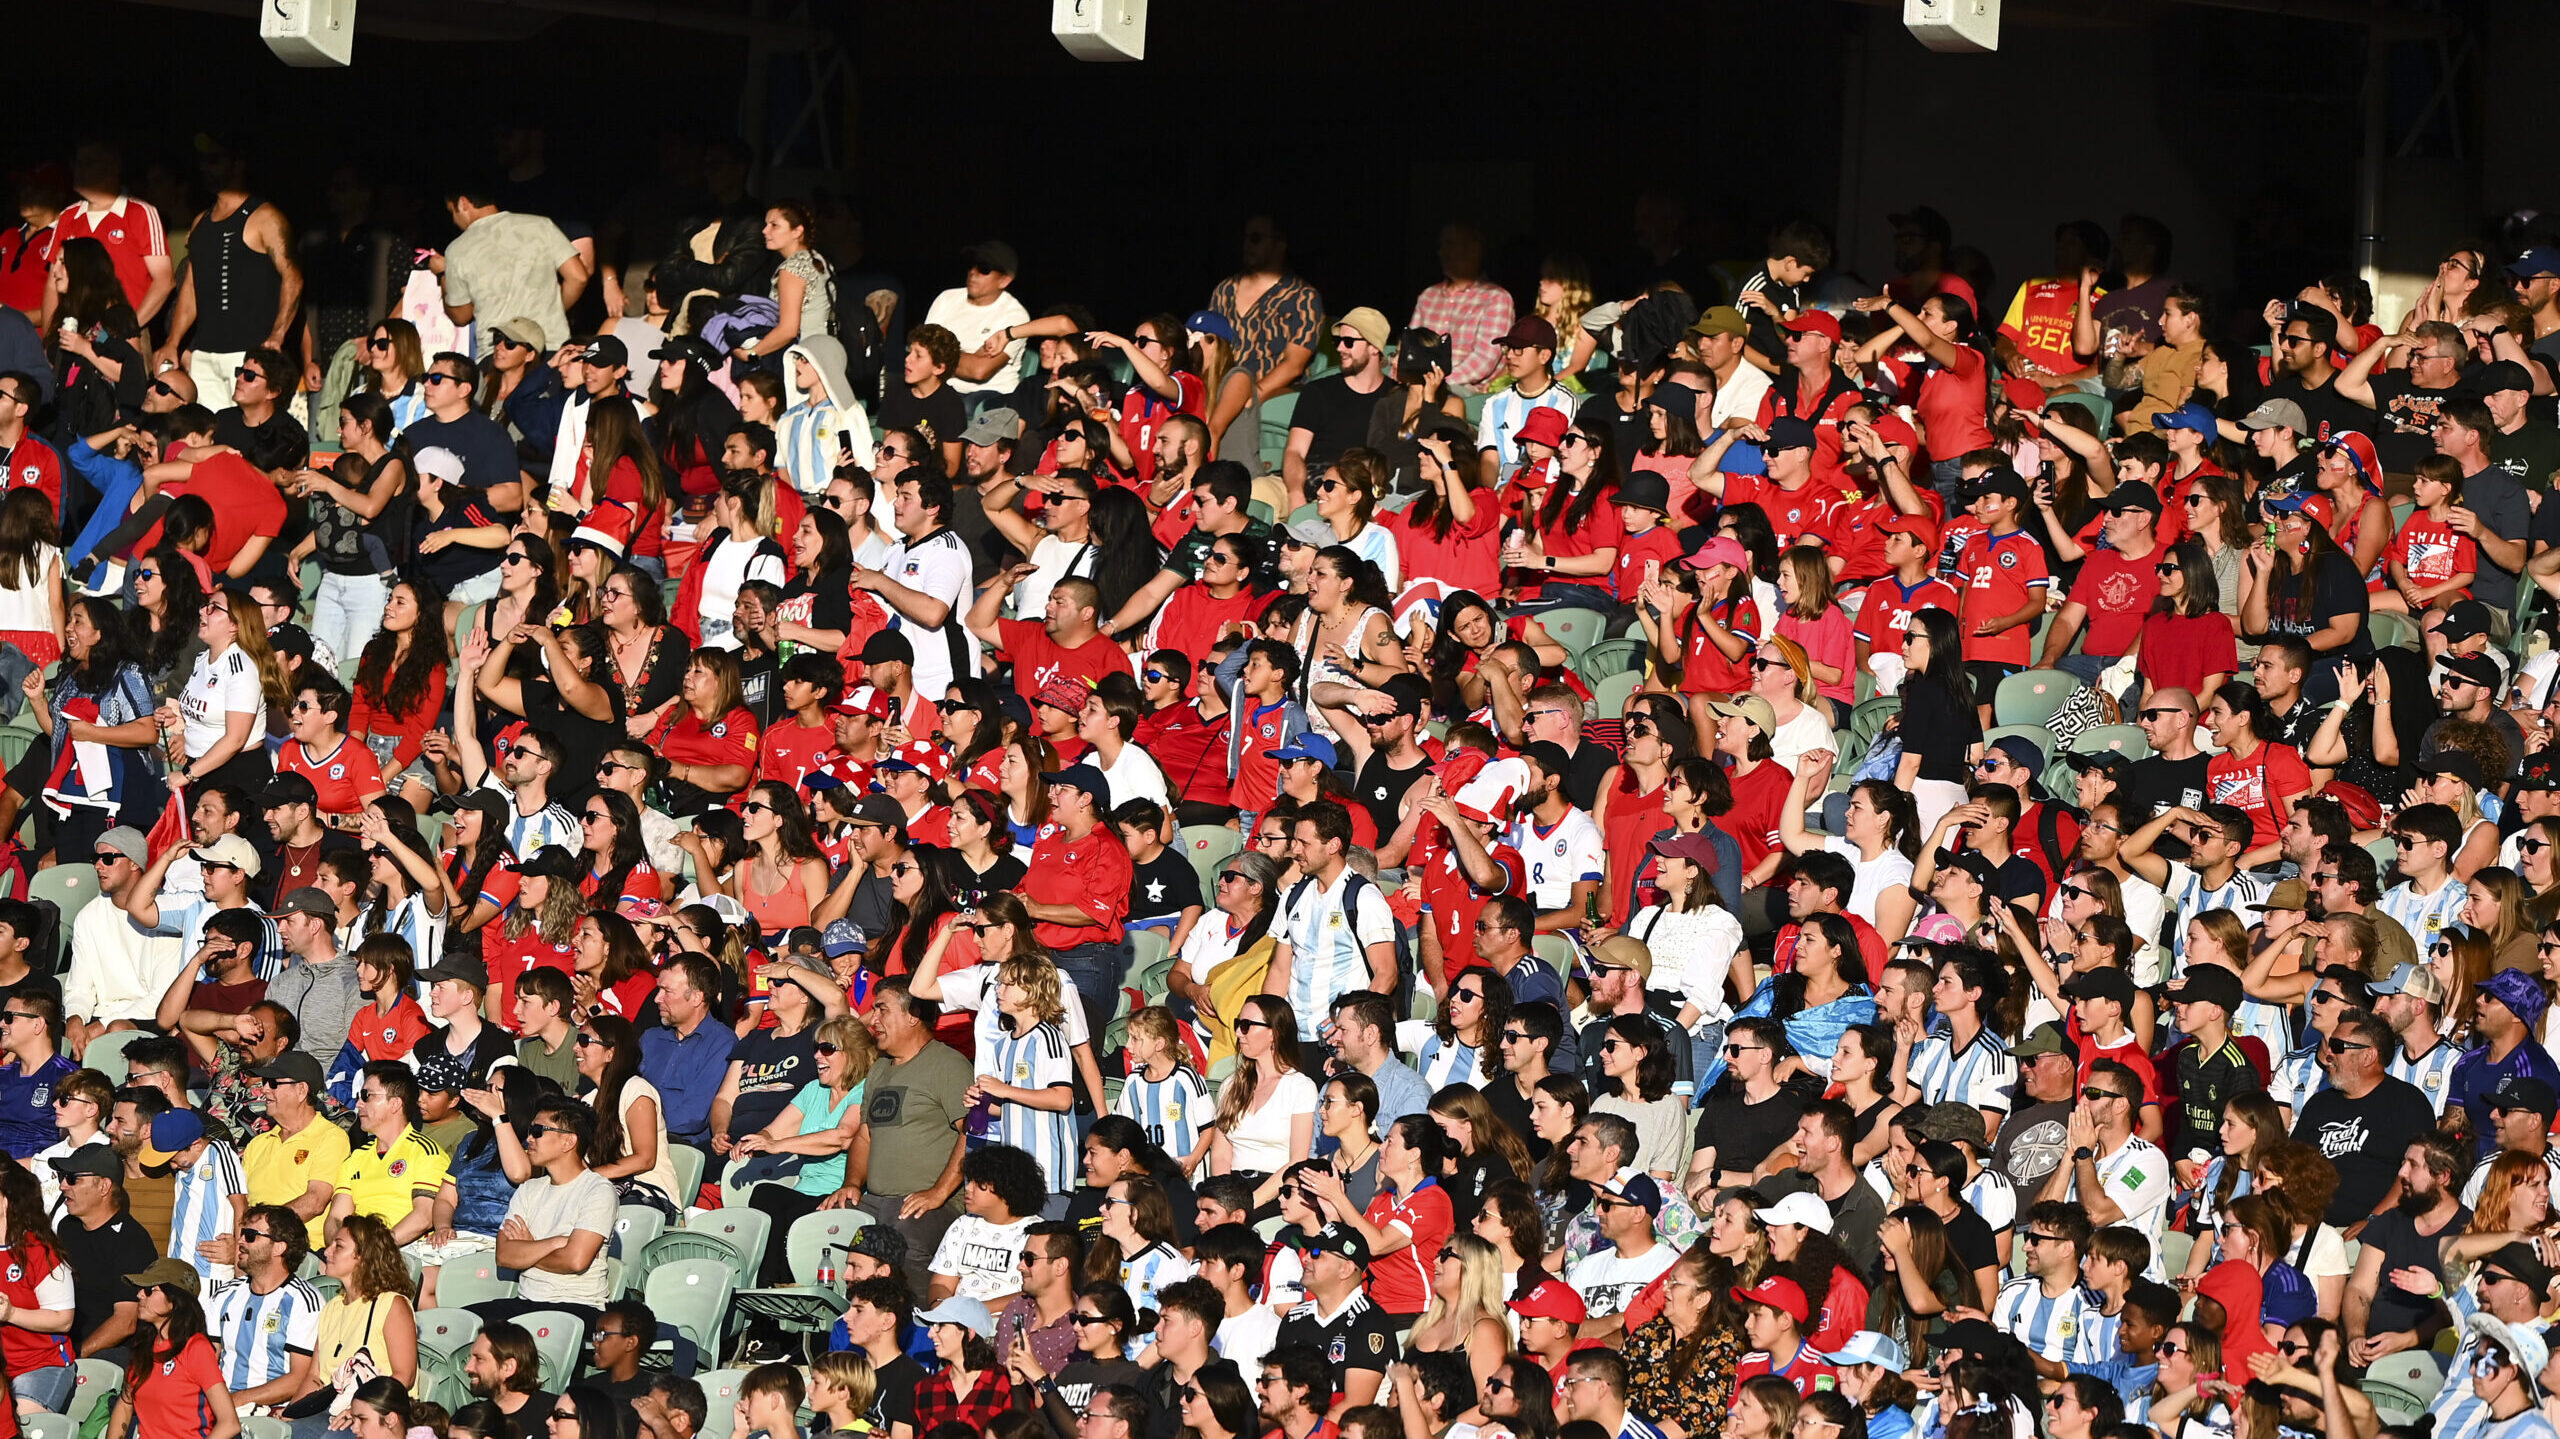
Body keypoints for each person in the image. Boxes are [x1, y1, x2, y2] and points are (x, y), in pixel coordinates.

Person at [105, 1258, 237, 1439]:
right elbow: (126, 1402)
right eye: (140, 1289)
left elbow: (229, 1423)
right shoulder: (144, 1347)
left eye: (150, 1290)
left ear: (175, 1300)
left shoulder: (196, 1348)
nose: (140, 1295)